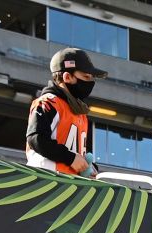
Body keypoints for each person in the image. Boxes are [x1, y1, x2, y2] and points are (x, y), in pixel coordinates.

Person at [26, 48, 107, 176]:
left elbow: (79, 152)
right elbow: (36, 138)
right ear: (67, 77)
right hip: (45, 180)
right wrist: (70, 158)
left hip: (69, 186)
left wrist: (90, 167)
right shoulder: (48, 102)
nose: (91, 82)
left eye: (92, 78)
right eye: (86, 77)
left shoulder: (81, 112)